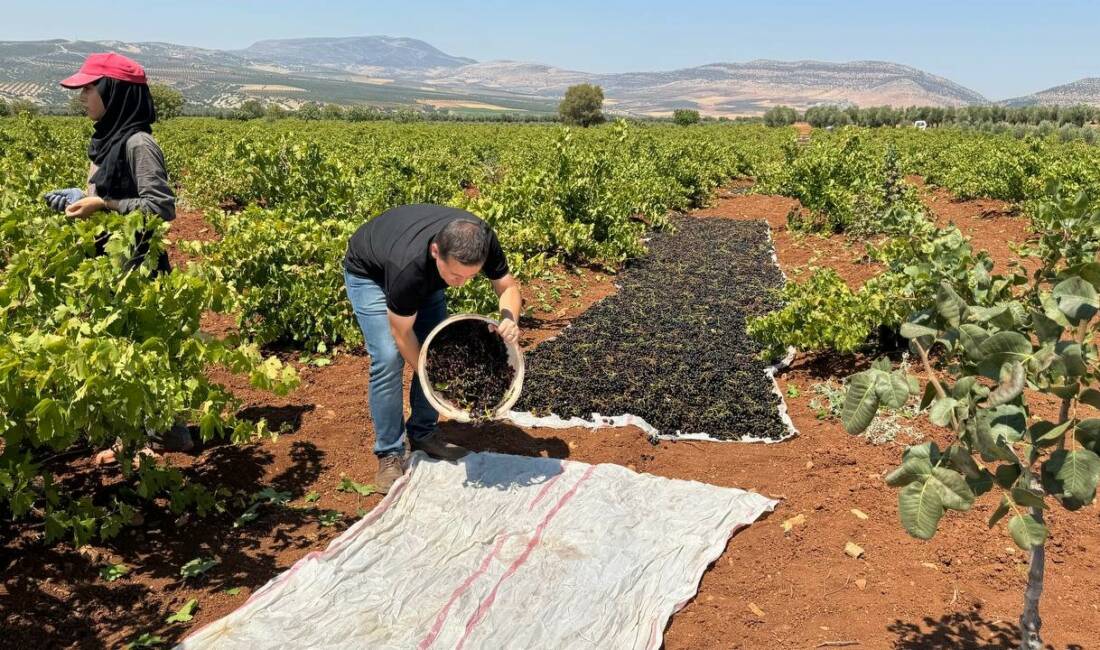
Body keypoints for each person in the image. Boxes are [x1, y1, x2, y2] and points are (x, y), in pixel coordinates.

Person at [43, 52, 191, 460]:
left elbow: (161, 209)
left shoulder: (138, 143)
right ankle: (140, 433)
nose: (83, 96)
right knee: (119, 348)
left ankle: (158, 438)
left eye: (90, 88)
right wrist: (81, 199)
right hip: (109, 265)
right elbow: (107, 194)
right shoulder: (105, 139)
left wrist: (103, 205)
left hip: (138, 267)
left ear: (114, 92)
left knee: (142, 350)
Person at [344, 204, 522, 492]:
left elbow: (508, 287)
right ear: (436, 251)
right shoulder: (408, 269)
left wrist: (508, 318)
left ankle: (424, 432)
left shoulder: (482, 241)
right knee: (389, 359)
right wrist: (438, 387)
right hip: (371, 274)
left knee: (436, 346)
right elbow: (402, 335)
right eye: (455, 276)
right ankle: (389, 453)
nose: (461, 285)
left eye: (469, 276)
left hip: (421, 272)